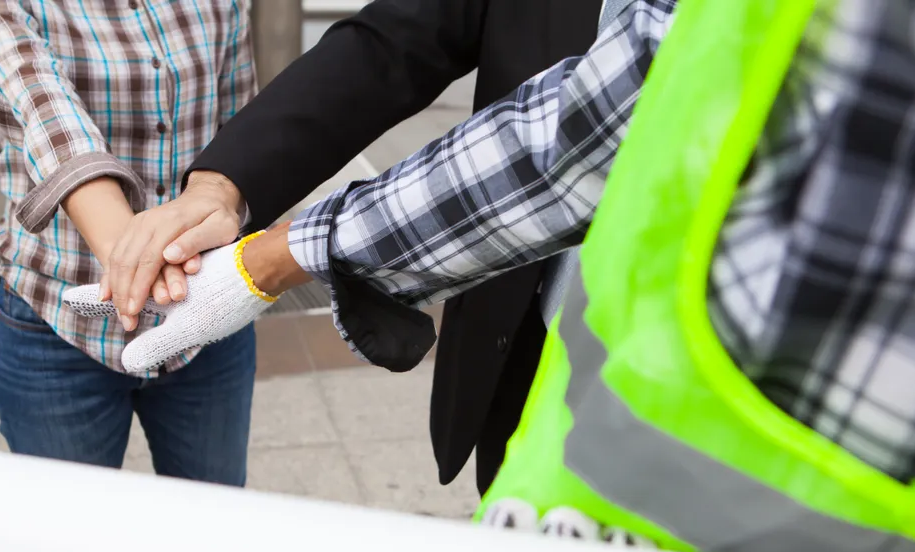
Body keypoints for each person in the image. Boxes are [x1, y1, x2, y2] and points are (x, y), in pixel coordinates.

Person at [66, 0, 915, 552]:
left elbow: (590, 133)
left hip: (775, 448)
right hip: (538, 367)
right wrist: (225, 183)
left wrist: (285, 253)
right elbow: (402, 36)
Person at [93, 0, 607, 497]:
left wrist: (275, 258)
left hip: (661, 378)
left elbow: (567, 146)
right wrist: (221, 184)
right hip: (525, 347)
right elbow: (396, 40)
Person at [0, 2, 257, 552]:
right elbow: (39, 103)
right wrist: (136, 258)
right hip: (58, 318)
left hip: (204, 318)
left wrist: (230, 211)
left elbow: (240, 121)